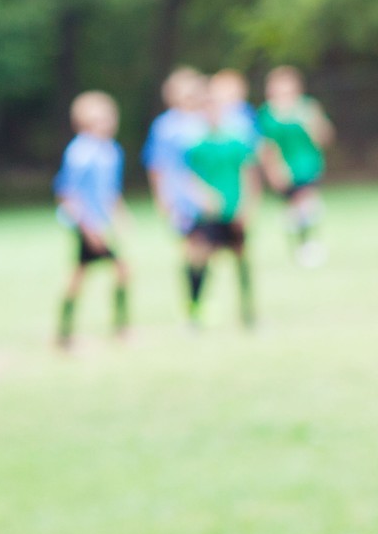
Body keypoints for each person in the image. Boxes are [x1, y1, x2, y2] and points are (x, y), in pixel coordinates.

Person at [53, 90, 131, 349]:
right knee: (104, 273)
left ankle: (72, 333)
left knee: (109, 273)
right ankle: (68, 334)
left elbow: (110, 192)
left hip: (101, 224)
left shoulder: (110, 151)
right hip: (86, 224)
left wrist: (120, 217)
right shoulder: (80, 152)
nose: (107, 123)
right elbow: (68, 194)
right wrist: (88, 228)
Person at [183, 80, 259, 328]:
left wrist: (247, 206)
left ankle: (248, 313)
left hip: (233, 209)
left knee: (241, 259)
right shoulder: (195, 142)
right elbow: (187, 176)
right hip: (207, 214)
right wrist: (201, 196)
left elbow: (248, 173)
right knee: (198, 259)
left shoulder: (236, 139)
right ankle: (195, 313)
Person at [258, 64, 335, 267]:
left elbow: (324, 137)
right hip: (284, 168)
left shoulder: (307, 108)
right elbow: (267, 146)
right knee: (292, 212)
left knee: (308, 205)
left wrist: (314, 123)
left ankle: (309, 246)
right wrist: (273, 171)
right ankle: (299, 247)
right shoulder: (267, 114)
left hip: (308, 166)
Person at [142, 67, 210, 297]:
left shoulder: (206, 121)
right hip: (183, 199)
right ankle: (194, 303)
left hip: (212, 197)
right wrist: (162, 199)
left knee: (208, 249)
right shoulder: (166, 127)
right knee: (193, 249)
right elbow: (158, 167)